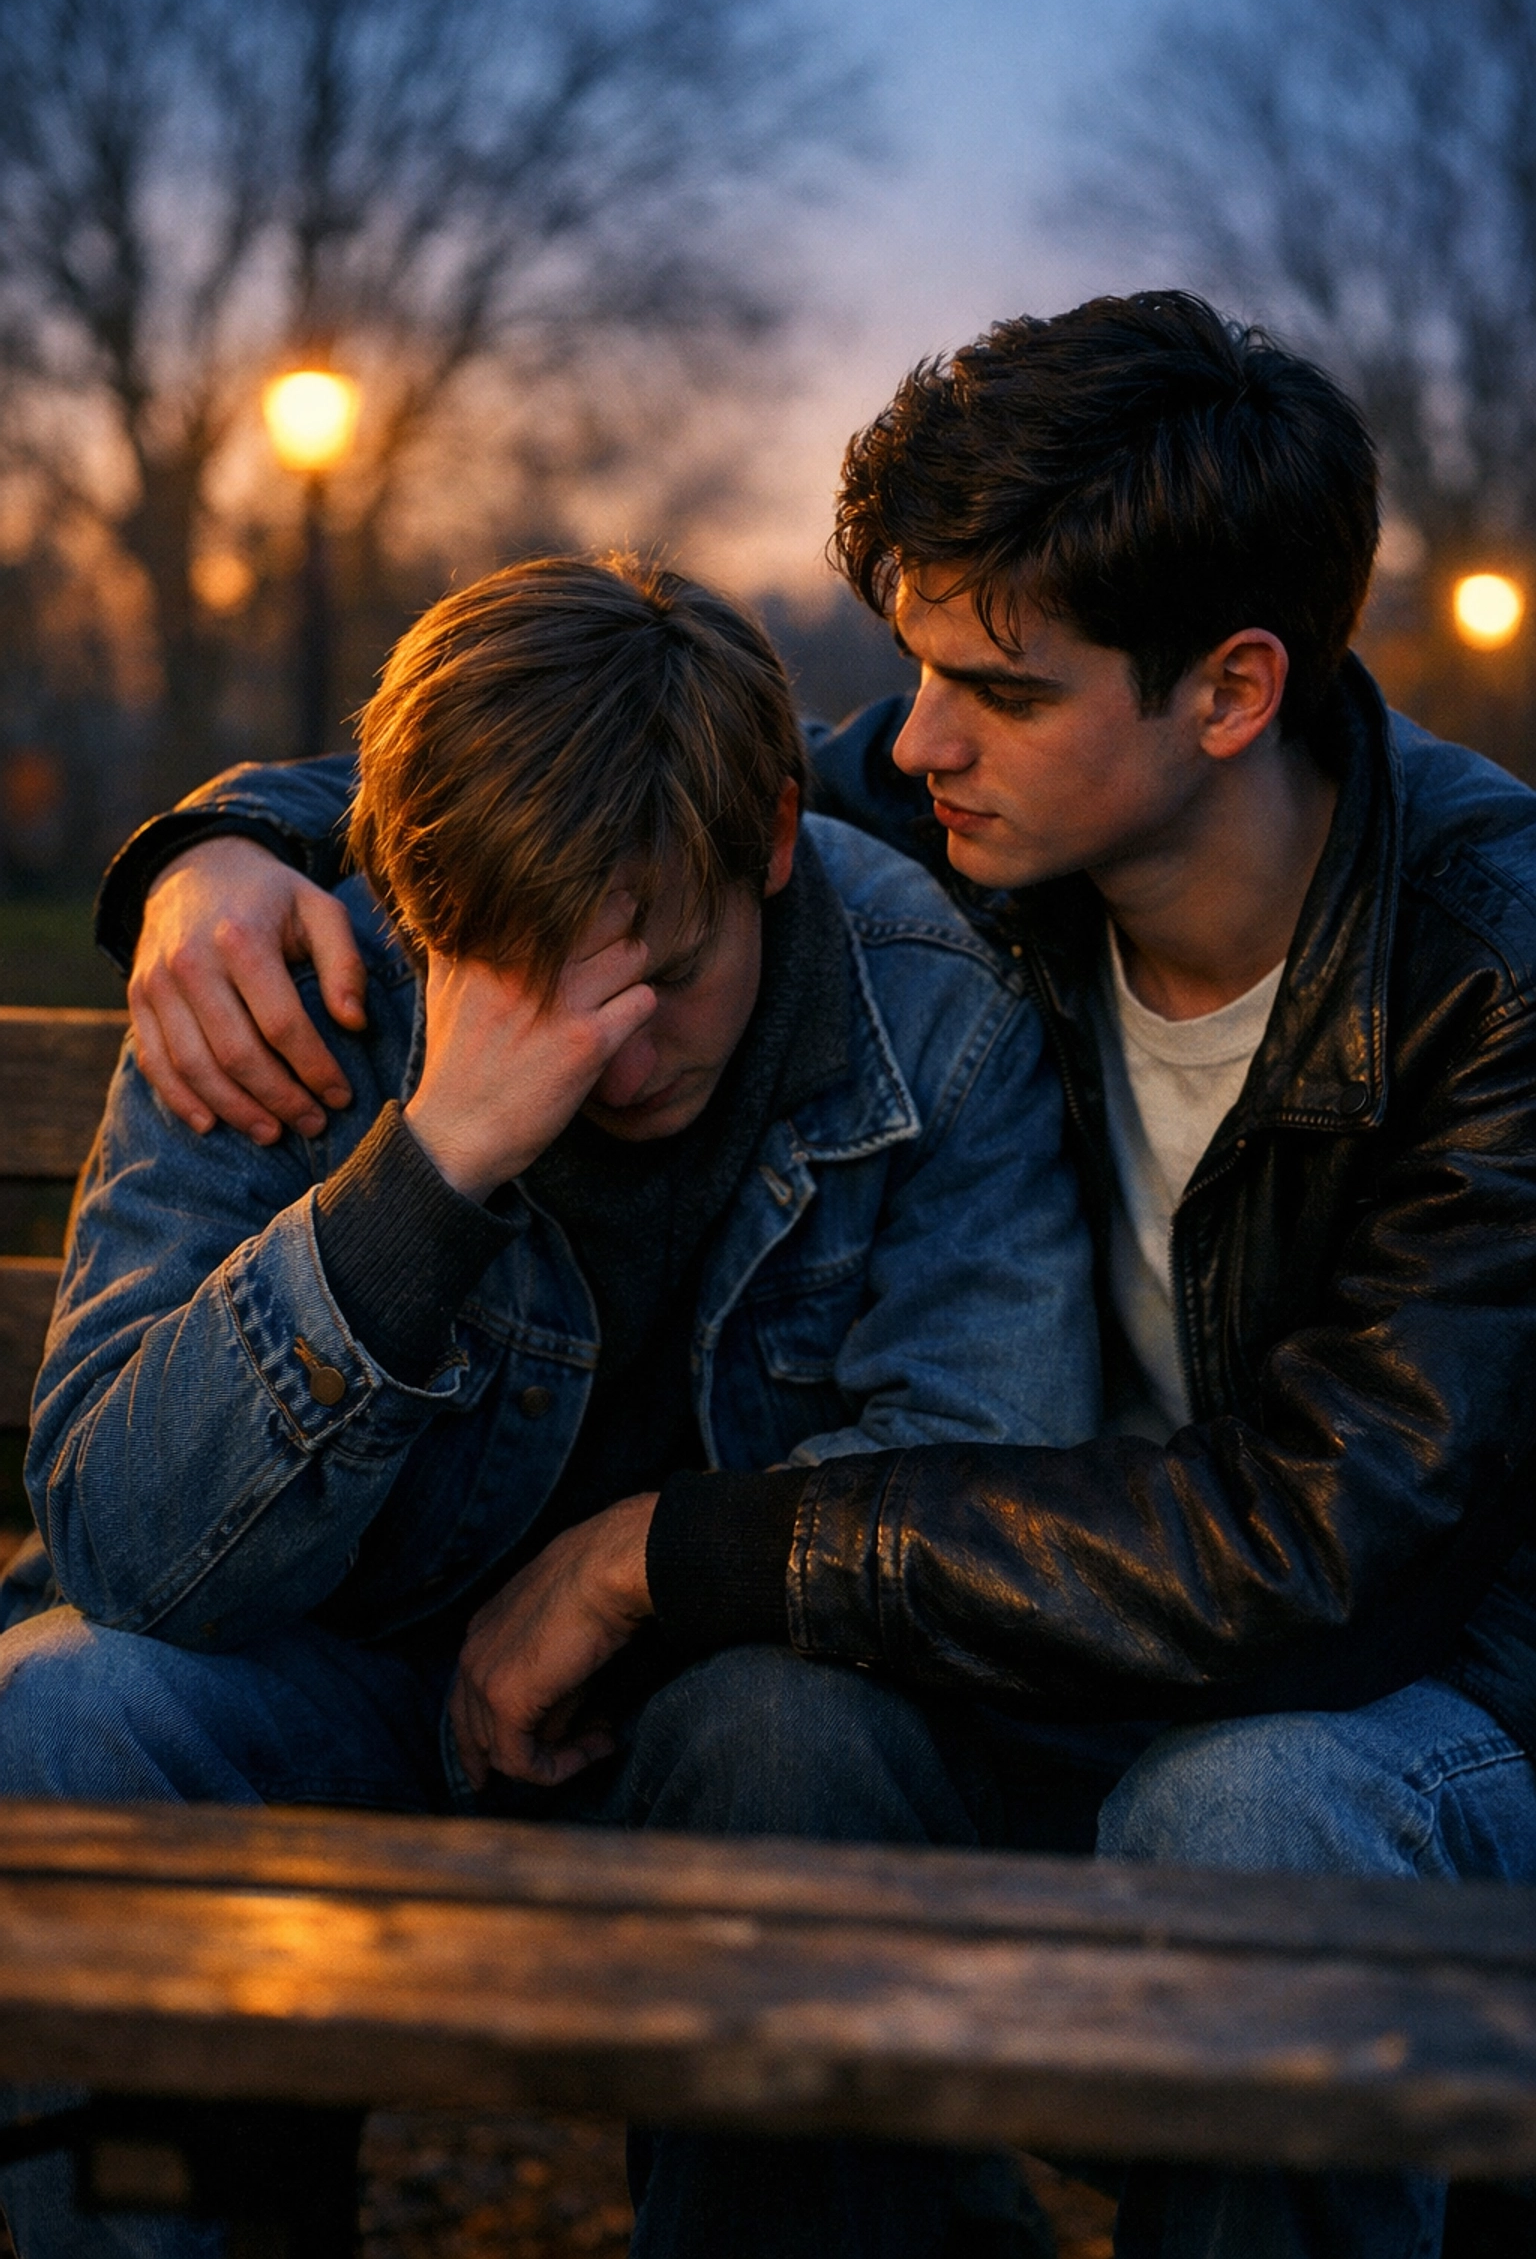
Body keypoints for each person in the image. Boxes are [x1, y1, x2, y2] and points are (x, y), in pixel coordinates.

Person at [108, 292, 1536, 2259]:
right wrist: (224, 845)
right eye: (915, 669)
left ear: (1228, 693)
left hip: (1400, 1706)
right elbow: (588, 773)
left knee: (1243, 1809)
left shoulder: (1491, 970)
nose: (916, 739)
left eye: (1000, 687)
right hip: (1052, 1673)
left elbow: (1315, 1557)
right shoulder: (977, 812)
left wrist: (651, 1557)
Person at [0, 554, 1097, 2259]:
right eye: (523, 985)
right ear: (411, 901)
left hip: (696, 1718)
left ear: (776, 847)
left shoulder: (935, 1011)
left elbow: (970, 1500)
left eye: (664, 971)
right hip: (334, 1685)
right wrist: (426, 1172)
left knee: (798, 1743)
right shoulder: (280, 977)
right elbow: (128, 1547)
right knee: (64, 1719)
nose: (616, 1052)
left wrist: (630, 1578)